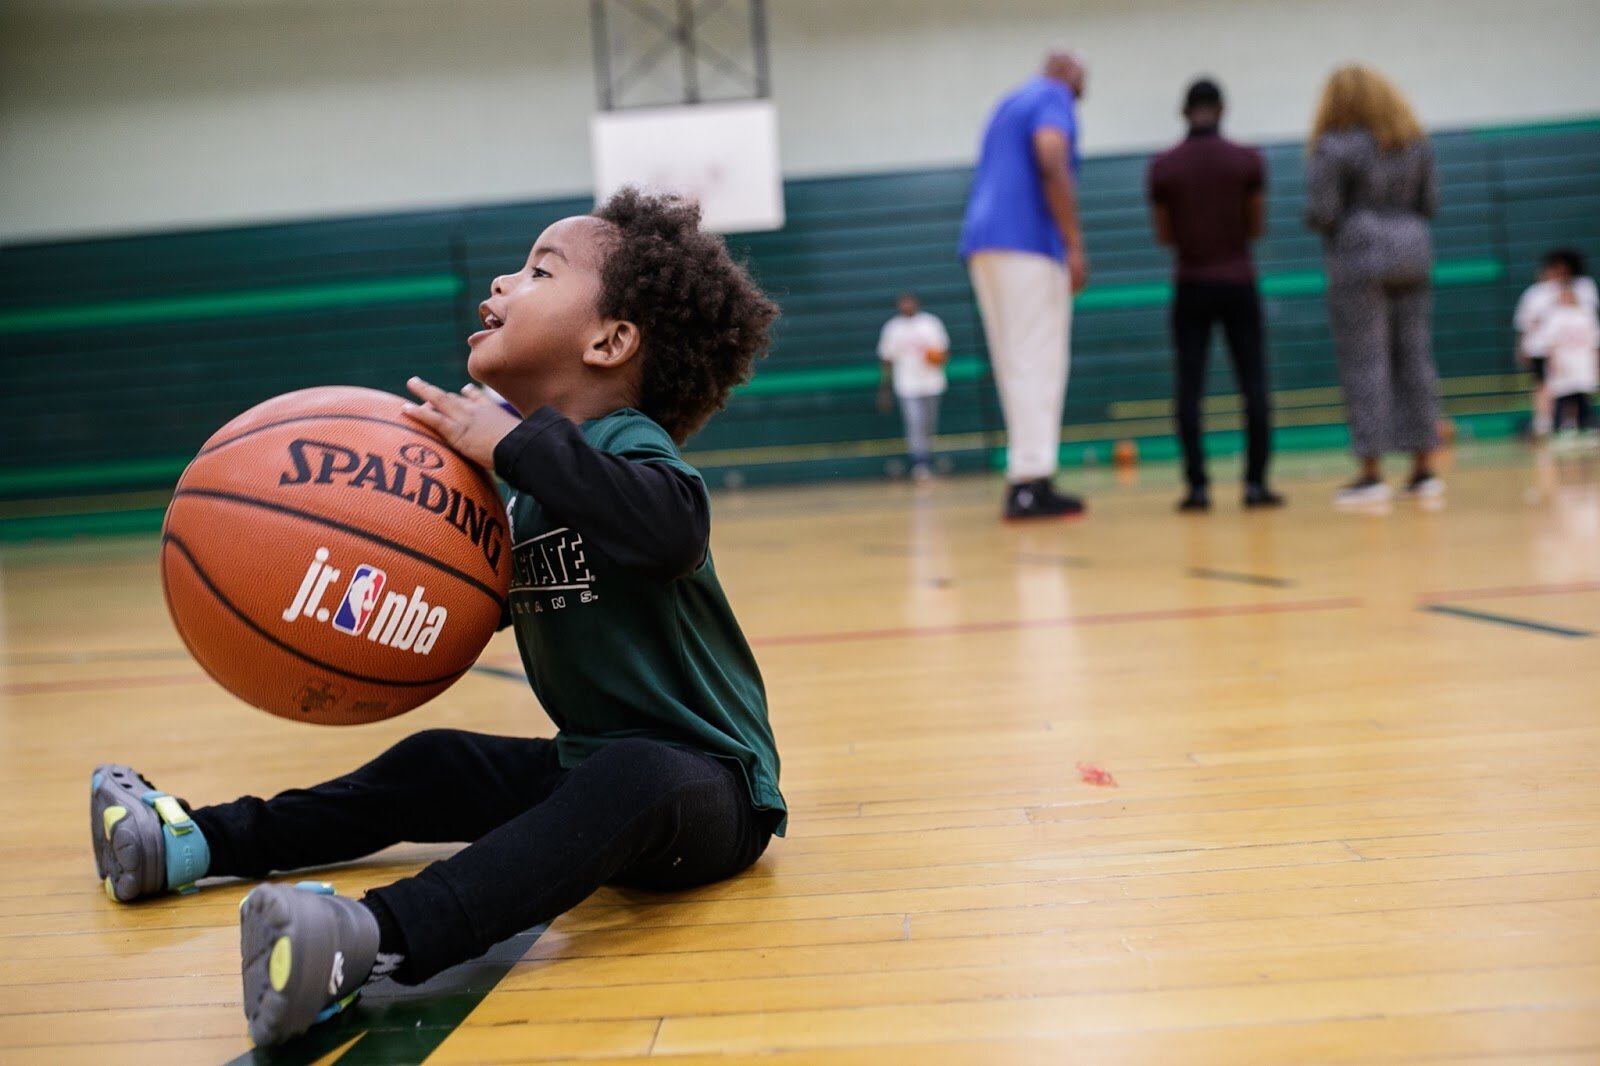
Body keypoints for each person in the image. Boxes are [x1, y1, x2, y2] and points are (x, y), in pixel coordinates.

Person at [88, 189, 787, 1048]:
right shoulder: (524, 497)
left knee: (637, 772)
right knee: (437, 762)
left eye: (538, 270)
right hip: (588, 766)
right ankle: (193, 841)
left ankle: (371, 941)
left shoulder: (626, 446)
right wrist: (350, 585)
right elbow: (444, 610)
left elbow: (673, 528)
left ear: (609, 341)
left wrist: (511, 443)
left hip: (710, 791)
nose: (501, 278)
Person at [1304, 65, 1444, 506]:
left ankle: (1370, 472)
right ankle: (1424, 468)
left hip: (1358, 254)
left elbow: (1323, 210)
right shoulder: (1414, 142)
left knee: (1366, 363)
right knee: (1415, 359)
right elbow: (1431, 203)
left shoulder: (1334, 146)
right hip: (1413, 249)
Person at [960, 48, 1090, 521]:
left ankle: (1024, 479)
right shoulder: (1053, 97)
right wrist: (1074, 244)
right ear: (1067, 72)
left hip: (984, 242)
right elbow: (1052, 156)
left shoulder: (1008, 103)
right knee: (1040, 359)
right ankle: (1033, 480)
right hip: (1029, 243)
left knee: (1015, 361)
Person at [1147, 77, 1284, 513]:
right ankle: (1256, 485)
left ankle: (1198, 488)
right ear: (1222, 108)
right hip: (1238, 279)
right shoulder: (1248, 161)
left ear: (1183, 111)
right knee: (1254, 385)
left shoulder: (1164, 166)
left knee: (1189, 389)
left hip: (1191, 281)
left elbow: (1164, 235)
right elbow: (1257, 227)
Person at [1513, 248, 1599, 438]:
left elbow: (1588, 316)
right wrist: (1521, 347)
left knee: (1576, 388)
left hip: (1573, 351)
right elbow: (1525, 323)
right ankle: (1544, 423)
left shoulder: (1583, 287)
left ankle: (1576, 423)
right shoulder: (1535, 293)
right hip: (1543, 348)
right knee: (1544, 386)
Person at [877, 292, 951, 481]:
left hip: (931, 383)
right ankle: (921, 464)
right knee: (914, 422)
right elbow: (887, 360)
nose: (907, 306)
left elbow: (944, 352)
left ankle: (926, 456)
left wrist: (937, 358)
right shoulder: (893, 329)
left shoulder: (931, 324)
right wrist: (884, 390)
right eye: (903, 303)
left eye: (909, 302)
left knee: (928, 423)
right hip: (907, 385)